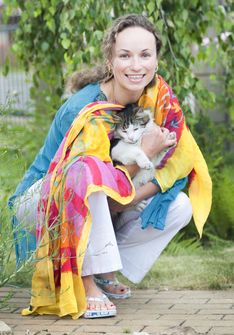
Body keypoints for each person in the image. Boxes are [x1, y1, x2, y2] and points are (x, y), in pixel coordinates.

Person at [10, 14, 212, 319]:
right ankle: (87, 280)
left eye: (145, 55)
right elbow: (81, 183)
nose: (135, 66)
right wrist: (143, 152)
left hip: (104, 191)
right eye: (125, 55)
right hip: (44, 200)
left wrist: (130, 197)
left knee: (179, 206)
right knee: (88, 172)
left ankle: (107, 267)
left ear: (157, 60)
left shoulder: (157, 97)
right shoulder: (85, 108)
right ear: (110, 59)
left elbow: (180, 159)